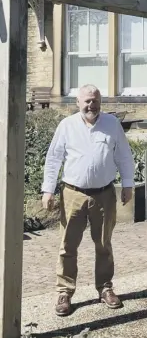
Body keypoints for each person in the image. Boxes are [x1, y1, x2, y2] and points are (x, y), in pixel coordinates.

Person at [41, 84, 135, 317]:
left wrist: (128, 184)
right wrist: (48, 190)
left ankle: (105, 288)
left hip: (104, 193)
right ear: (77, 103)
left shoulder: (112, 125)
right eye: (87, 101)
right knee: (68, 246)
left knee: (104, 244)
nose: (91, 105)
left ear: (100, 102)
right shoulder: (67, 126)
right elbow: (54, 159)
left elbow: (123, 155)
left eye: (95, 100)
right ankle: (64, 292)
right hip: (73, 193)